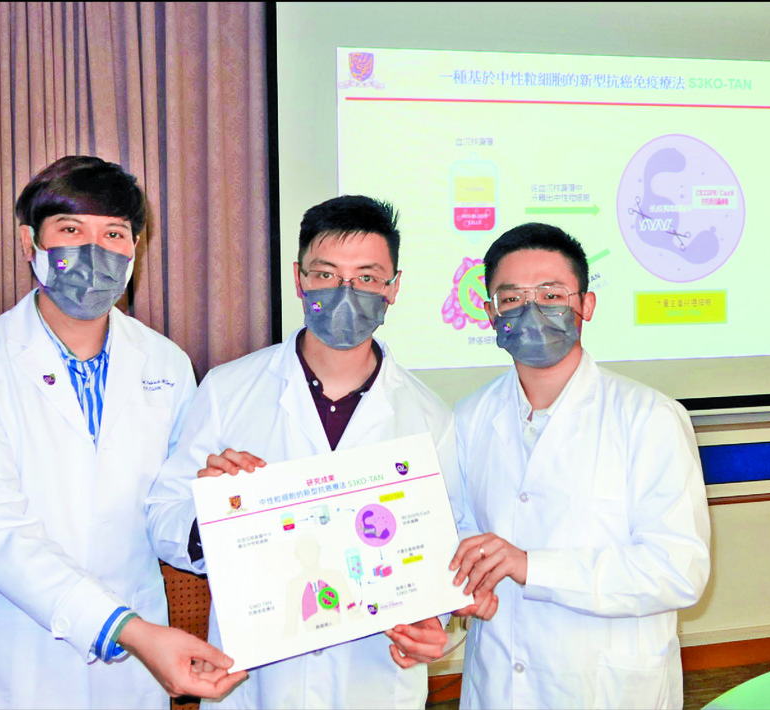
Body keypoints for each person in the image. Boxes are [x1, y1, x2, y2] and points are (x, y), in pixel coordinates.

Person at [0, 156, 246, 709]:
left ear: (135, 248)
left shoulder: (165, 362)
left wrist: (219, 507)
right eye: (71, 230)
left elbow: (166, 509)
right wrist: (130, 631)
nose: (95, 252)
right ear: (29, 243)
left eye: (113, 234)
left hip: (127, 671)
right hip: (5, 656)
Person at [146, 195, 456, 708]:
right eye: (326, 274)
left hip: (373, 679)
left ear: (393, 288)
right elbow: (163, 516)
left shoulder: (430, 417)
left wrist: (432, 622)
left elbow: (447, 545)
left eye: (367, 277)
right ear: (299, 279)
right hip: (256, 682)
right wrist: (214, 518)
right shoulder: (228, 389)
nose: (345, 293)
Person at [447, 223, 711, 709]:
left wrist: (532, 566)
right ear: (489, 313)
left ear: (586, 305)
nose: (531, 311)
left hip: (604, 687)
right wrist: (466, 586)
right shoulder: (469, 416)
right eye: (512, 298)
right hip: (499, 682)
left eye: (551, 295)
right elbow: (459, 533)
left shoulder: (648, 417)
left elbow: (678, 570)